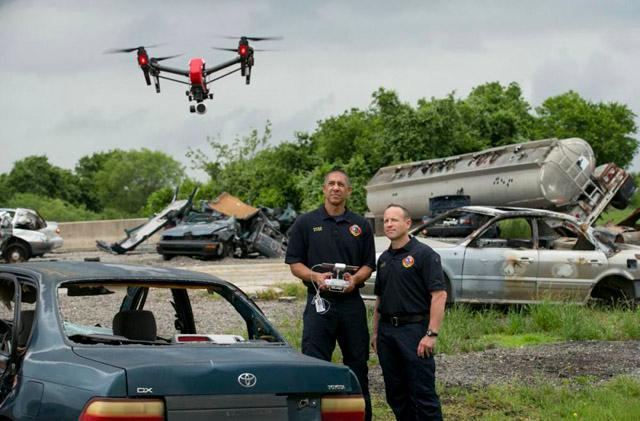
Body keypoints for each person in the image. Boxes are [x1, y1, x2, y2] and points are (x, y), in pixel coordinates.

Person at [285, 168, 375, 421]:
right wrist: (315, 277)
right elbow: (295, 264)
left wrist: (355, 280)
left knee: (357, 365)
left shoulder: (361, 225)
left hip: (351, 305)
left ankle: (362, 416)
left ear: (349, 191)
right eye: (331, 184)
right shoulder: (305, 223)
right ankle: (314, 417)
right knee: (314, 365)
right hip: (319, 304)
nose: (336, 188)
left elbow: (368, 265)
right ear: (324, 189)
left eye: (341, 184)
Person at [372, 204, 447, 420]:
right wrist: (375, 333)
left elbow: (439, 295)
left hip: (414, 331)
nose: (389, 224)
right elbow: (379, 299)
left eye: (394, 220)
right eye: (386, 221)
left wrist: (431, 334)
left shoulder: (424, 254)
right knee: (396, 394)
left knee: (423, 394)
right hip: (387, 333)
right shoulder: (384, 259)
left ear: (407, 223)